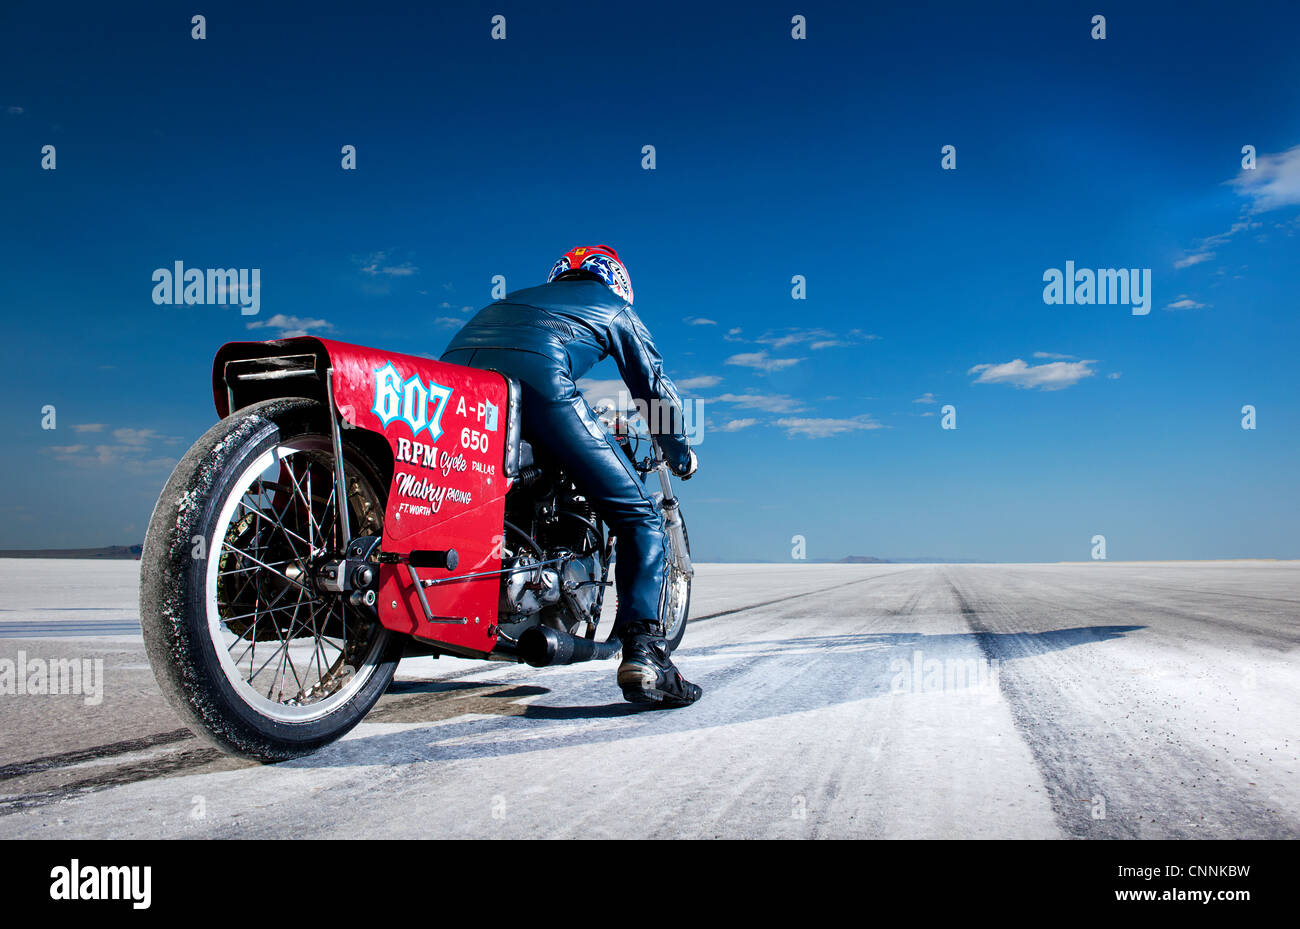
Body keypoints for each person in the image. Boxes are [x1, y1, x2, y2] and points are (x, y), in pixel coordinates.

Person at [441, 245, 702, 707]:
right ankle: (647, 654)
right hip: (539, 379)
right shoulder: (614, 306)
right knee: (640, 518)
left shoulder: (508, 300)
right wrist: (679, 451)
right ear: (616, 280)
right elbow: (653, 387)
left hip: (454, 384)